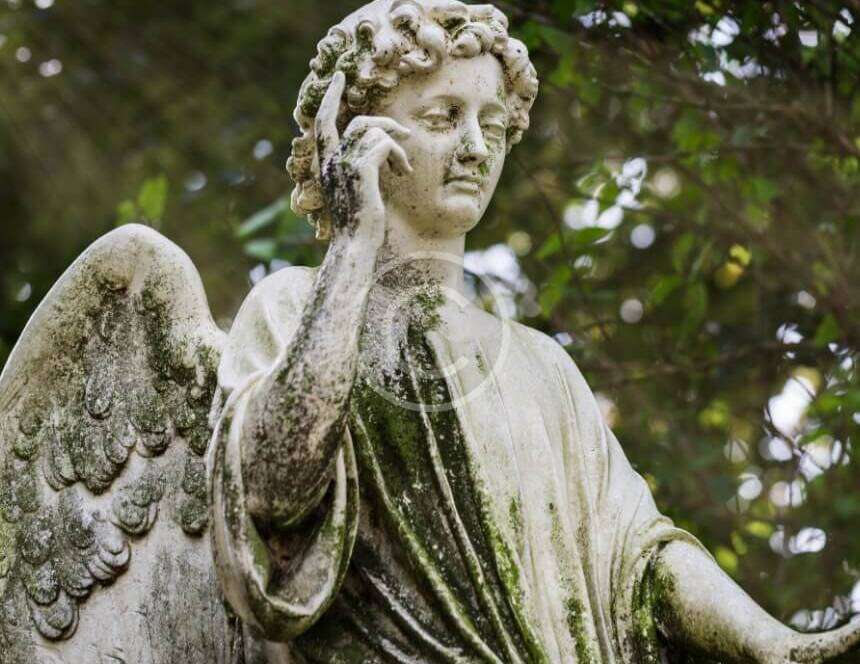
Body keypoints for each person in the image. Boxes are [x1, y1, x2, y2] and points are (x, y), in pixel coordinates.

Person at [208, 1, 860, 661]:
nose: (475, 147)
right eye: (443, 117)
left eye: (492, 124)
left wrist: (774, 644)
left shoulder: (542, 365)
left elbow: (640, 557)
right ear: (355, 137)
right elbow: (270, 493)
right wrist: (354, 244)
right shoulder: (293, 306)